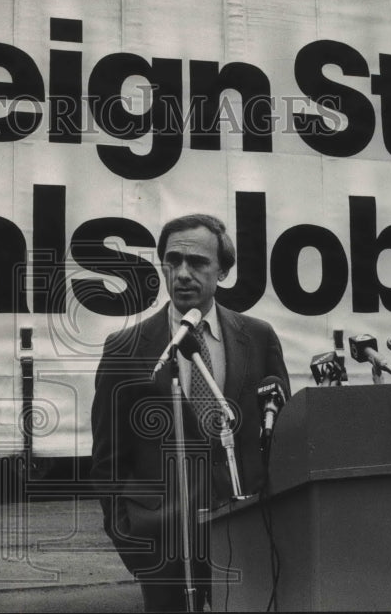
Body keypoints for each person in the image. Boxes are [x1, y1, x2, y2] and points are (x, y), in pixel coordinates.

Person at [90, 213, 291, 612]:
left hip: (247, 537)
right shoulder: (125, 348)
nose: (183, 273)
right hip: (163, 546)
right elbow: (106, 459)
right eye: (173, 260)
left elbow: (280, 437)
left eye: (197, 262)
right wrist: (133, 544)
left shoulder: (258, 337)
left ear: (223, 271)